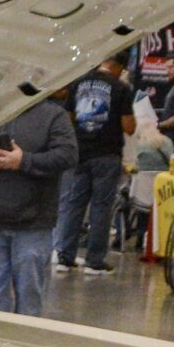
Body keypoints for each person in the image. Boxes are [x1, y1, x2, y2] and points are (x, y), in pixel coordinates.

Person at [0, 97, 76, 314]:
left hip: (33, 224)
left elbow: (67, 156)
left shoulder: (53, 115)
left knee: (30, 296)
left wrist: (24, 161)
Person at [54, 55, 133, 276]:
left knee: (74, 204)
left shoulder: (79, 81)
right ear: (118, 67)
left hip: (80, 153)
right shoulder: (121, 88)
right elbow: (129, 127)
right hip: (107, 155)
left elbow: (68, 116)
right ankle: (94, 261)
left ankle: (65, 256)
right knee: (101, 207)